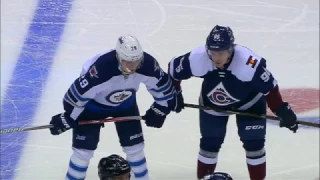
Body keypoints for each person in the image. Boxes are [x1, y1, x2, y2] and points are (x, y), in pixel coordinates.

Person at [168, 25, 298, 180]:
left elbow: (270, 88)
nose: (216, 57)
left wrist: (282, 110)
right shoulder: (198, 57)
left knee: (254, 144)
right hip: (213, 105)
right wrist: (175, 93)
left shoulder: (248, 64)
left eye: (221, 52)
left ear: (230, 50)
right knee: (210, 143)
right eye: (213, 52)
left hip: (250, 103)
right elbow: (173, 70)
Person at [49, 34, 181, 180]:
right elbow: (76, 96)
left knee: (135, 148)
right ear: (118, 57)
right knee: (83, 152)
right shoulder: (102, 70)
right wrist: (69, 117)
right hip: (91, 108)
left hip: (125, 105)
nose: (132, 67)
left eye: (136, 61)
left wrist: (161, 108)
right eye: (128, 62)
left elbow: (163, 87)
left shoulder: (148, 65)